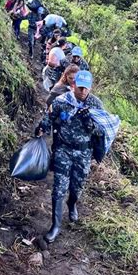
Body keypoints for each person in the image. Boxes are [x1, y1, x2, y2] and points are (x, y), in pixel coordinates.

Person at [36, 70, 105, 243]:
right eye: (80, 87)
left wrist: (89, 123)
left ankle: (72, 203)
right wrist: (41, 128)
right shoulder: (62, 101)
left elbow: (103, 131)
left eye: (86, 88)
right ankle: (55, 226)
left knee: (77, 186)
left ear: (90, 88)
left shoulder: (95, 104)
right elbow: (49, 117)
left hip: (83, 153)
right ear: (73, 85)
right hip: (64, 149)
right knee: (59, 187)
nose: (83, 91)